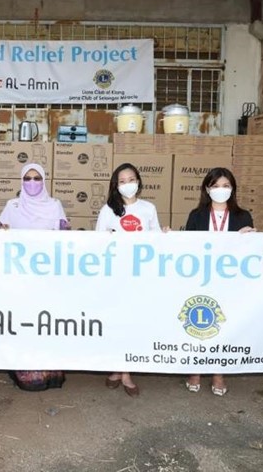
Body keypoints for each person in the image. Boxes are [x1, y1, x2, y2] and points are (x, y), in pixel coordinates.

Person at [184, 167, 255, 397]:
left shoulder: (243, 216)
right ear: (207, 189)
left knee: (223, 326)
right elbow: (185, 246)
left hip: (230, 280)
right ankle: (195, 370)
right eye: (215, 186)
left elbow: (252, 252)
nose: (220, 190)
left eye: (226, 186)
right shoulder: (196, 215)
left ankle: (218, 372)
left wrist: (251, 238)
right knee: (197, 324)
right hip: (201, 278)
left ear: (232, 189)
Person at [0, 163, 68, 391]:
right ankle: (24, 366)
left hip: (48, 276)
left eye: (37, 178)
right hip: (20, 275)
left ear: (44, 180)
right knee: (23, 318)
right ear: (21, 181)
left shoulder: (55, 206)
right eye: (28, 178)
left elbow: (64, 238)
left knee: (46, 319)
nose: (33, 182)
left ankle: (48, 367)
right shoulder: (12, 205)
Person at [95, 163, 161, 397]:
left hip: (139, 275)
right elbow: (98, 242)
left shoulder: (148, 209)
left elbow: (157, 241)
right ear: (115, 185)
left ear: (139, 182)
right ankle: (121, 371)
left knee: (133, 321)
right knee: (116, 322)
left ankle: (122, 371)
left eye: (131, 179)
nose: (127, 184)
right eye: (122, 181)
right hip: (115, 275)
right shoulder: (108, 210)